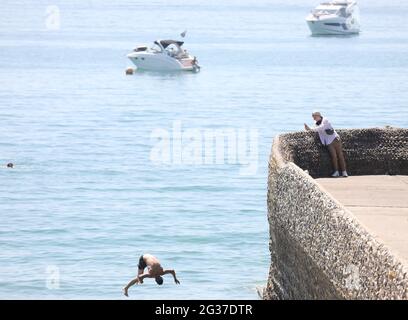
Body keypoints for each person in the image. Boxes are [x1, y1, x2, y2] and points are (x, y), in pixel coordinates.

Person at [304, 111, 348, 177]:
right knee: (334, 157)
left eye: (314, 117)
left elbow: (321, 127)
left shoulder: (325, 120)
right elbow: (315, 129)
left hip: (335, 139)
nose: (313, 119)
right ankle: (336, 172)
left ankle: (344, 172)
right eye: (313, 117)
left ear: (318, 115)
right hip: (328, 142)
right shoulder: (316, 124)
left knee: (340, 155)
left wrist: (311, 129)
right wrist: (308, 129)